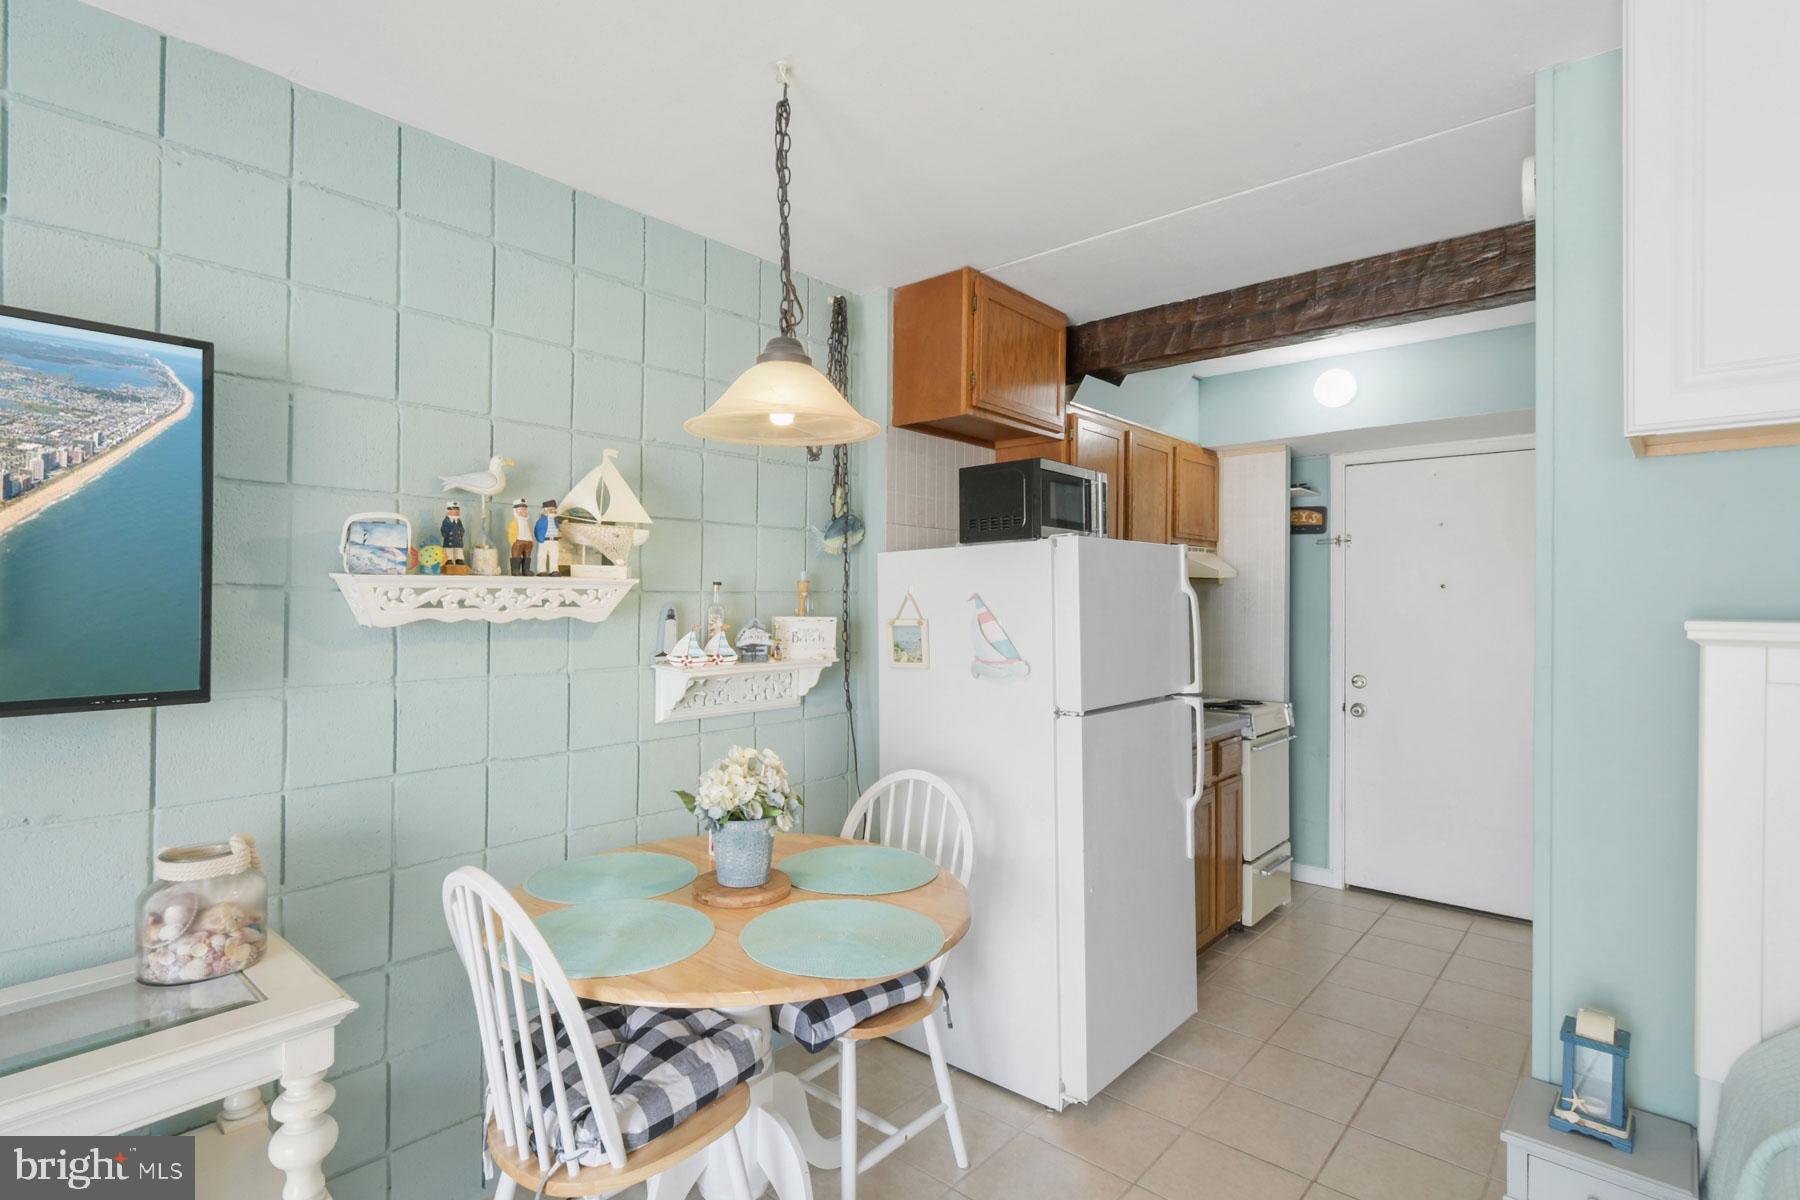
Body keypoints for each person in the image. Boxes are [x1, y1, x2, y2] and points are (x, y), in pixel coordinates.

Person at [533, 500, 561, 575]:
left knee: (554, 555)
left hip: (554, 541)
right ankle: (541, 570)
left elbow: (558, 529)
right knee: (542, 556)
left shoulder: (556, 520)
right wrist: (540, 539)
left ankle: (554, 570)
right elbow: (536, 530)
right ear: (546, 510)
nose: (553, 511)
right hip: (544, 540)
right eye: (551, 509)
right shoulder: (541, 520)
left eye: (554, 509)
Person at [506, 499, 533, 576]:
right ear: (516, 510)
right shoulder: (514, 522)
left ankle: (526, 570)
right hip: (518, 541)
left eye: (525, 509)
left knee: (527, 556)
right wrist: (513, 541)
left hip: (528, 541)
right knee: (516, 555)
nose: (523, 511)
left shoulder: (526, 522)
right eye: (521, 509)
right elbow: (510, 532)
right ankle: (515, 570)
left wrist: (531, 541)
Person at [440, 502, 467, 573]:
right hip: (449, 540)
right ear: (448, 511)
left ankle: (459, 559)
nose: (456, 511)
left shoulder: (459, 521)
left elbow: (462, 528)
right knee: (449, 550)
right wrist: (445, 534)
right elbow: (443, 529)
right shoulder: (446, 521)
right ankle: (448, 560)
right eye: (454, 509)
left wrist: (461, 533)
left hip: (458, 540)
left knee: (459, 550)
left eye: (457, 509)